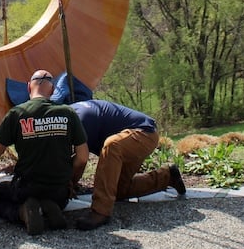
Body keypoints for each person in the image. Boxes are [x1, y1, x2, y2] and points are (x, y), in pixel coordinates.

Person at [0, 70, 89, 236]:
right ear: (53, 90)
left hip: (27, 187)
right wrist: (71, 182)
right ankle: (50, 207)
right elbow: (83, 158)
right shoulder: (68, 113)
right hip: (58, 190)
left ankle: (22, 212)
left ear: (28, 88)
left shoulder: (17, 114)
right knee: (55, 198)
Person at [70, 99, 186, 231]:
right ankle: (167, 176)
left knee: (112, 145)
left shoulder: (81, 120)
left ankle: (100, 212)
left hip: (143, 133)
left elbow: (81, 160)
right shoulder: (70, 115)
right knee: (119, 190)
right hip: (129, 139)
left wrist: (70, 183)